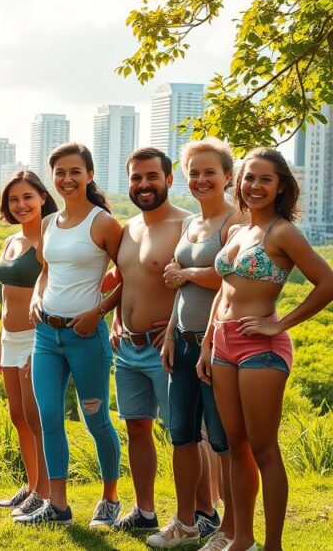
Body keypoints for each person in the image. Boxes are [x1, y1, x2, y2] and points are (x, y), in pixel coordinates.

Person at [199, 148, 333, 551]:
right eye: (248, 178)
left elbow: (327, 283)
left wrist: (281, 322)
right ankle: (243, 540)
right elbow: (224, 290)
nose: (254, 186)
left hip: (261, 348)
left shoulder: (282, 232)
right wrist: (207, 343)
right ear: (237, 182)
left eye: (265, 179)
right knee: (236, 446)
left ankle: (272, 546)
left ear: (280, 188)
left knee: (263, 448)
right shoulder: (239, 231)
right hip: (222, 344)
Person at [17, 142, 123, 527]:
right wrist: (35, 297)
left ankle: (110, 498)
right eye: (60, 172)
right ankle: (58, 506)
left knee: (95, 419)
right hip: (47, 336)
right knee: (49, 418)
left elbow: (130, 277)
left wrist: (97, 311)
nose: (67, 179)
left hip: (86, 337)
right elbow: (46, 270)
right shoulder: (48, 224)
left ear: (89, 175)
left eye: (75, 171)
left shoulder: (103, 223)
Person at [151, 138, 239, 549]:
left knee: (222, 442)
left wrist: (186, 274)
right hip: (183, 344)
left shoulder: (234, 223)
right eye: (194, 172)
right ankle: (185, 524)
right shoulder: (192, 224)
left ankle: (230, 531)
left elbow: (231, 280)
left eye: (210, 172)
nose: (201, 179)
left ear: (226, 176)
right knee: (181, 436)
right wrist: (170, 333)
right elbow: (178, 283)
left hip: (218, 347)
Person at [108, 148, 190, 533]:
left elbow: (205, 285)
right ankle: (144, 512)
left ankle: (200, 515)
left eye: (151, 177)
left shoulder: (186, 225)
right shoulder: (128, 228)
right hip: (127, 348)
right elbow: (125, 279)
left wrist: (175, 329)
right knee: (136, 428)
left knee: (186, 434)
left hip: (166, 349)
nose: (143, 185)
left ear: (169, 180)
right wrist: (113, 320)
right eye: (136, 178)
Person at [0, 171, 57, 517]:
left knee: (37, 418)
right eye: (14, 199)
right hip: (10, 338)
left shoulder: (49, 240)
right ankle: (32, 486)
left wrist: (43, 345)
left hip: (37, 338)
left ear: (43, 198)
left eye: (28, 197)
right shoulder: (12, 241)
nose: (21, 205)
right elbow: (5, 296)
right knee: (18, 416)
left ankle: (45, 494)